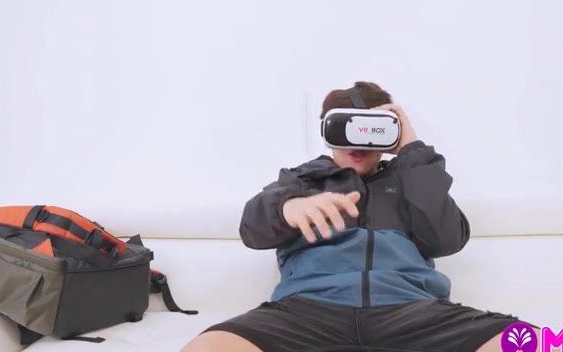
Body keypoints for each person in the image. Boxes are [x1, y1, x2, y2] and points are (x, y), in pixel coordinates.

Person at [183, 81, 538, 352]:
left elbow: (447, 239)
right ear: (326, 132)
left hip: (412, 311)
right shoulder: (301, 180)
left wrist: (412, 151)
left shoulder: (411, 181)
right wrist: (288, 208)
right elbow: (252, 229)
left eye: (372, 131)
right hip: (308, 310)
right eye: (346, 129)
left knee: (542, 344)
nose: (357, 144)